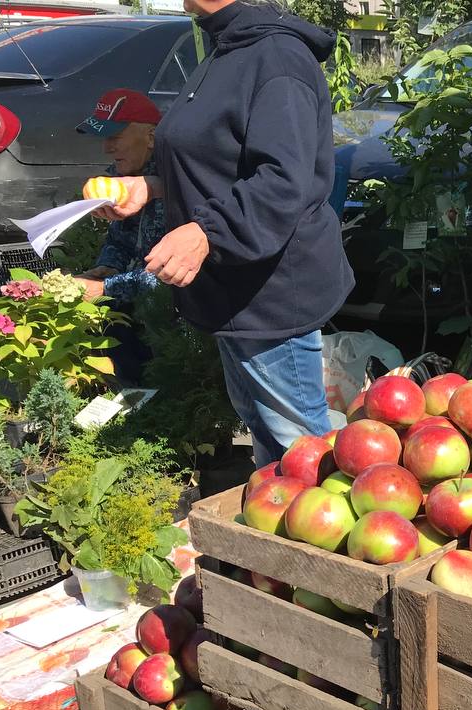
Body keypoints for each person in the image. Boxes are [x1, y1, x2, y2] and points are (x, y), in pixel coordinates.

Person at [100, 0, 353, 467]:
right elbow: (222, 161)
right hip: (231, 288)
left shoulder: (277, 58)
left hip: (272, 293)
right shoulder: (226, 46)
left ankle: (316, 543)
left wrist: (204, 233)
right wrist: (154, 187)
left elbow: (282, 182)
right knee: (265, 433)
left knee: (301, 451)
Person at [75, 88, 165, 306]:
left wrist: (106, 288)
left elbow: (172, 274)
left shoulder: (178, 181)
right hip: (138, 307)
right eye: (105, 138)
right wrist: (108, 266)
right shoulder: (121, 177)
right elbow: (119, 240)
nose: (106, 147)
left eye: (115, 137)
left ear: (151, 137)